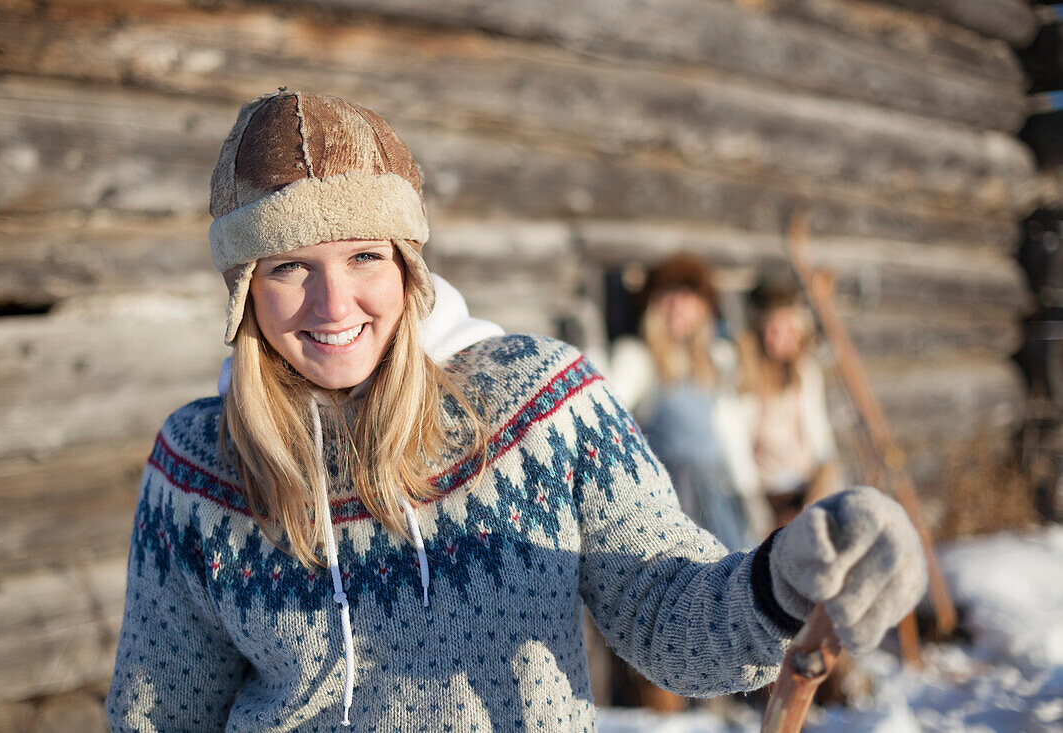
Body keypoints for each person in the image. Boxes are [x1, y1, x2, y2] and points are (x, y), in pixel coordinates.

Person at [106, 90, 927, 732]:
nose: (333, 300)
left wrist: (779, 584)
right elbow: (159, 713)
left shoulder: (542, 402)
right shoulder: (199, 466)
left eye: (363, 255)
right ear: (246, 293)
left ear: (408, 268)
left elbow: (662, 608)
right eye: (288, 266)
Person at [609, 254, 764, 552]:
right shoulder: (638, 360)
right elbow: (609, 422)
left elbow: (730, 436)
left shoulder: (715, 363)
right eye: (669, 295)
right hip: (667, 499)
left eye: (688, 296)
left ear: (703, 309)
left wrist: (750, 495)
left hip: (717, 494)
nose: (678, 305)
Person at [737, 277, 841, 528]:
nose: (782, 338)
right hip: (765, 492)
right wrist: (755, 504)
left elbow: (820, 433)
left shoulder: (805, 374)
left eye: (790, 330)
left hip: (804, 487)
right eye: (775, 330)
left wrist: (821, 483)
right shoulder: (745, 376)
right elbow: (737, 444)